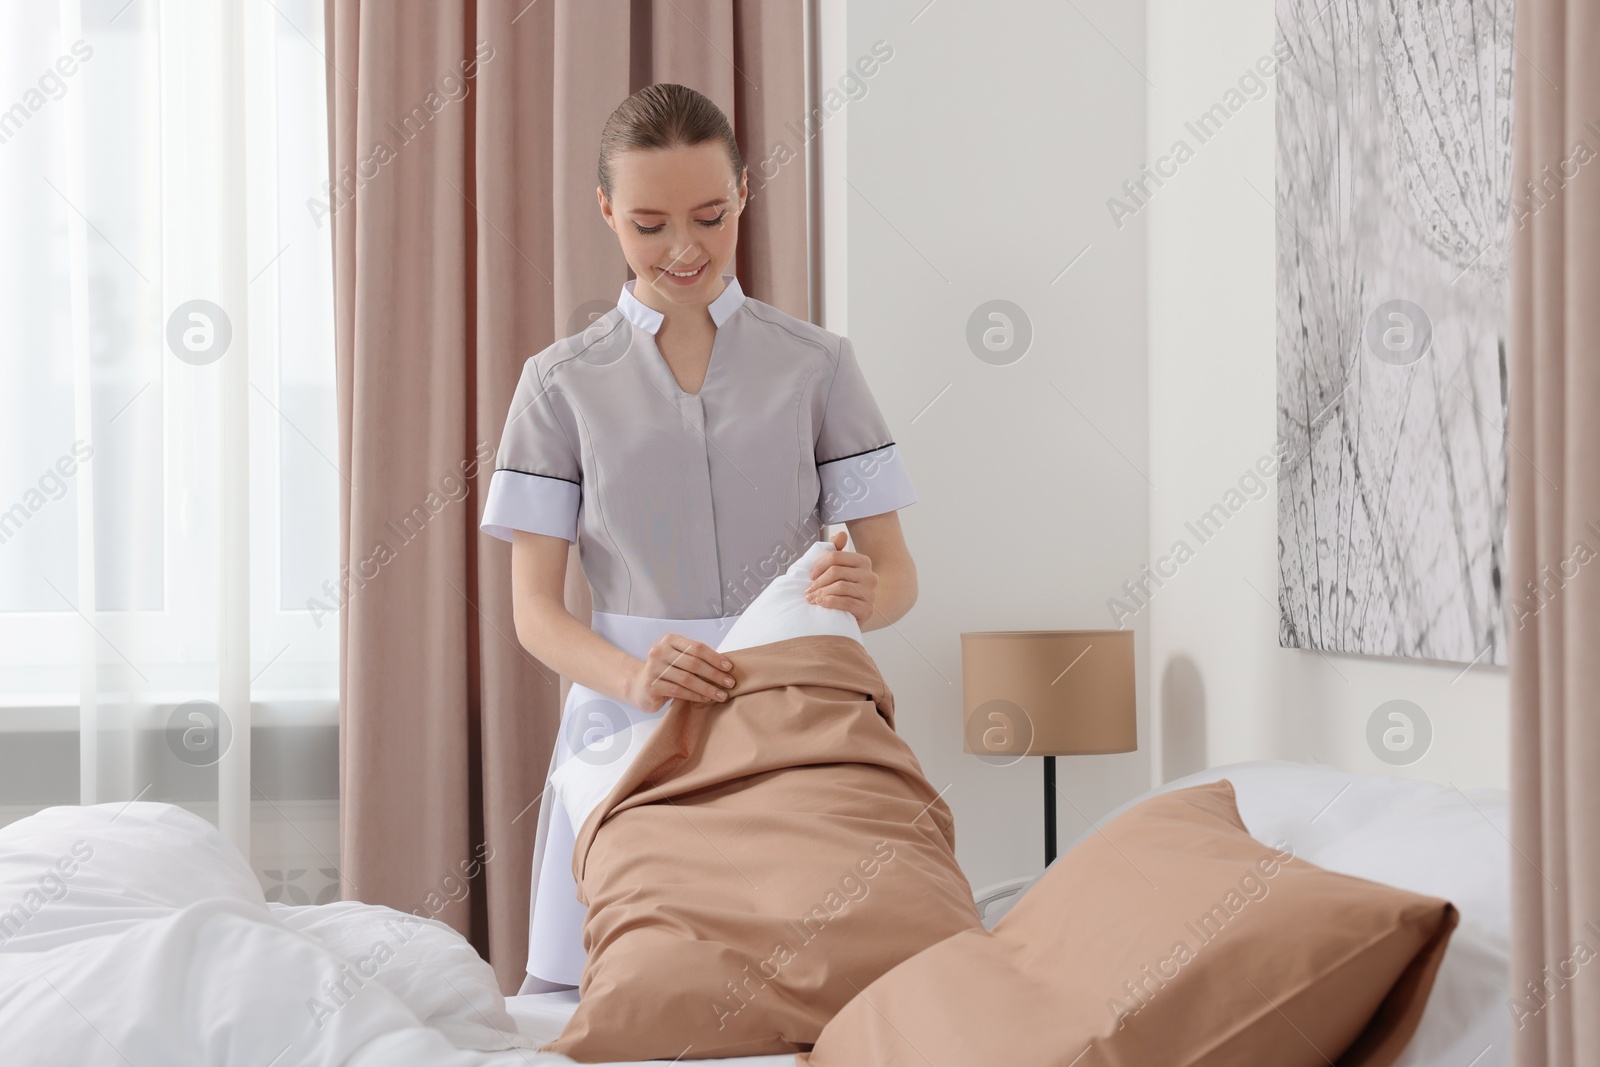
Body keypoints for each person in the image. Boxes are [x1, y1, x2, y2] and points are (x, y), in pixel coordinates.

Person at [478, 82, 920, 995]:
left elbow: (898, 570)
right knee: (630, 986)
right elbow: (532, 609)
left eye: (710, 216)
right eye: (648, 225)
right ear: (605, 210)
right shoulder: (558, 384)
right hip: (627, 719)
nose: (683, 249)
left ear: (744, 195)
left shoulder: (819, 365)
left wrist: (865, 593)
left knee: (816, 977)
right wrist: (635, 677)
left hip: (792, 707)